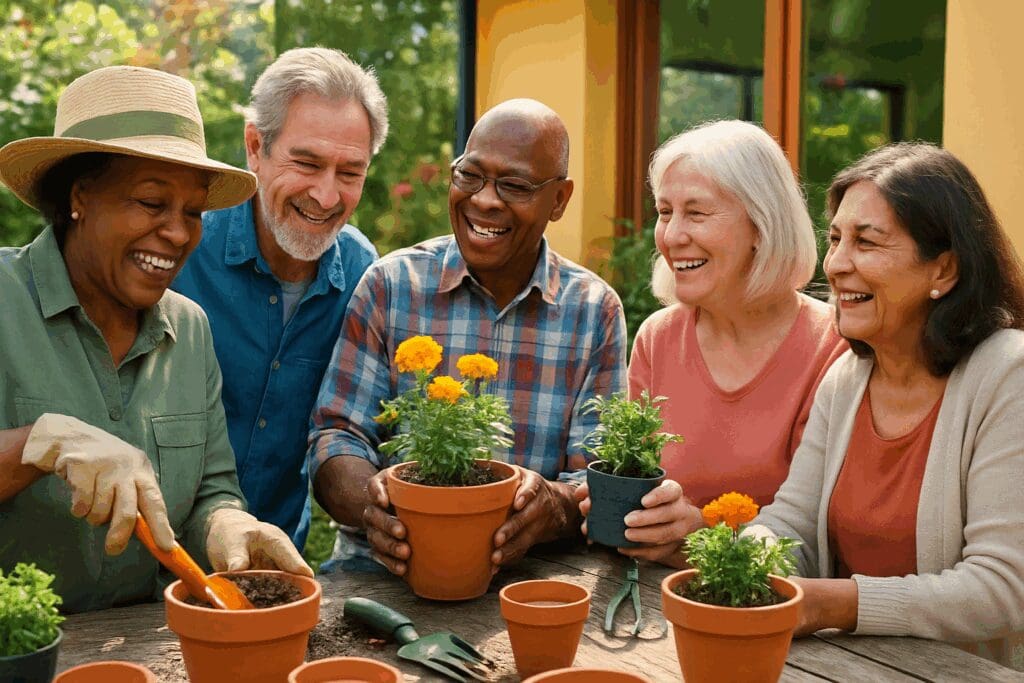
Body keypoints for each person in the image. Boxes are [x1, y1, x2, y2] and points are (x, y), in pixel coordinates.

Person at [0, 66, 311, 614]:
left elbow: (211, 487)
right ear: (81, 197)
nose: (178, 232)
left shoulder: (188, 329)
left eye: (191, 212)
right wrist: (39, 441)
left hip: (152, 650)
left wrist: (226, 523)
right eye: (150, 202)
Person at [308, 98, 627, 575]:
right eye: (470, 176)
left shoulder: (592, 311)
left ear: (559, 199)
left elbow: (600, 479)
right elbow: (336, 435)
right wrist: (374, 506)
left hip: (527, 577)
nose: (484, 199)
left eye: (514, 185)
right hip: (383, 573)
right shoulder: (391, 286)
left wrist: (552, 507)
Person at [745, 143, 1024, 670]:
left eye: (866, 243)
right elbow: (793, 522)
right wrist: (750, 555)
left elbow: (1002, 587)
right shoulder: (846, 380)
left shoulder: (1009, 374)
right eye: (835, 239)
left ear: (943, 270)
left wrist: (832, 602)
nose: (837, 264)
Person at [577, 120, 846, 567]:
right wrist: (616, 508)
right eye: (665, 212)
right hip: (646, 601)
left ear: (761, 225)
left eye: (696, 214)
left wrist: (693, 537)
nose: (672, 235)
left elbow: (819, 535)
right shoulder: (658, 339)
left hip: (775, 616)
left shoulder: (833, 347)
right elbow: (633, 477)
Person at [172, 47, 383, 550]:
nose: (327, 196)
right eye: (306, 163)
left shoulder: (361, 271)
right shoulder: (183, 244)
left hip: (274, 565)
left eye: (349, 172)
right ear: (254, 146)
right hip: (153, 564)